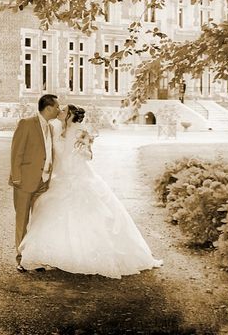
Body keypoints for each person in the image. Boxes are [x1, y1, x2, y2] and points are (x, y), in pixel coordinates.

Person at [18, 104, 163, 279]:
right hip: (60, 179)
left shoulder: (82, 132)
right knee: (47, 208)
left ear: (70, 114)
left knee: (87, 214)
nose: (60, 111)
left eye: (63, 110)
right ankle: (53, 255)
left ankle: (86, 256)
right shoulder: (55, 129)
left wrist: (83, 152)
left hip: (80, 178)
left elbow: (90, 155)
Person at [9, 94, 60, 272]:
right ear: (48, 108)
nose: (59, 110)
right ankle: (21, 258)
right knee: (22, 220)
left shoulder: (52, 129)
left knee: (38, 221)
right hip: (24, 180)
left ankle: (35, 256)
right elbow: (16, 152)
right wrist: (16, 177)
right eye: (57, 107)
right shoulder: (26, 123)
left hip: (43, 182)